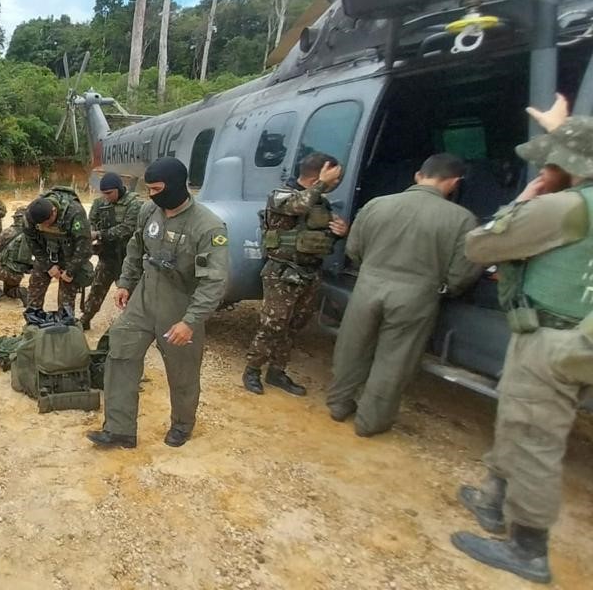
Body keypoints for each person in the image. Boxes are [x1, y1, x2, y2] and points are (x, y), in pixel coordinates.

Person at [452, 95, 592, 585]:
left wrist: (524, 199)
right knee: (518, 417)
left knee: (533, 436)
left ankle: (528, 548)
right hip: (571, 339)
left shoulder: (566, 209)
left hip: (552, 339)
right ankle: (492, 500)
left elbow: (480, 244)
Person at [325, 153, 481, 436]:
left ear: (418, 176)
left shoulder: (376, 205)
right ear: (454, 183)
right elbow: (463, 271)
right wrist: (446, 287)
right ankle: (369, 423)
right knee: (394, 360)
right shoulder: (463, 219)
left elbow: (354, 249)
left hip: (368, 287)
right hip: (417, 296)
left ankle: (338, 404)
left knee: (352, 347)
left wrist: (373, 269)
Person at [87, 158, 229, 449]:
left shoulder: (208, 227)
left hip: (179, 307)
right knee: (120, 353)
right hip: (143, 298)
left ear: (177, 186)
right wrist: (126, 282)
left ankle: (182, 425)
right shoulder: (149, 211)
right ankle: (119, 429)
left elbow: (214, 282)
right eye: (148, 189)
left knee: (183, 371)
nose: (151, 195)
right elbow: (136, 247)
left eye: (156, 189)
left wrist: (190, 322)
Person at [243, 153, 349, 396]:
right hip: (281, 272)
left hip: (310, 272)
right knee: (273, 324)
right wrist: (322, 183)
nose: (336, 181)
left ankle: (277, 371)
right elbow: (298, 206)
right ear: (318, 175)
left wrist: (340, 232)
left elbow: (319, 236)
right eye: (334, 176)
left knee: (294, 325)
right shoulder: (282, 195)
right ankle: (252, 370)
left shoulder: (321, 202)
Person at [80, 172, 142, 330]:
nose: (106, 197)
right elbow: (91, 224)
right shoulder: (99, 203)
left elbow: (128, 228)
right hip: (107, 257)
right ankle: (85, 319)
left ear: (119, 189)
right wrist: (92, 236)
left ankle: (133, 326)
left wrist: (100, 234)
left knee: (130, 294)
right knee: (97, 290)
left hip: (127, 259)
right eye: (104, 193)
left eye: (109, 193)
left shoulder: (134, 204)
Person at [24, 186, 93, 314]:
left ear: (54, 211)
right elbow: (30, 240)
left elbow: (85, 247)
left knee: (66, 300)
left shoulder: (74, 212)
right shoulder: (31, 213)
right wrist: (48, 265)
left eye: (47, 222)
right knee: (35, 290)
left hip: (70, 257)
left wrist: (70, 271)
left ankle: (65, 327)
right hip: (46, 254)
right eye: (41, 224)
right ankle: (32, 325)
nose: (45, 226)